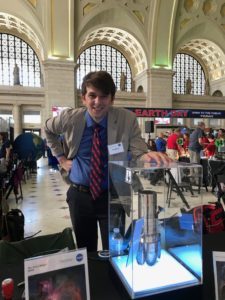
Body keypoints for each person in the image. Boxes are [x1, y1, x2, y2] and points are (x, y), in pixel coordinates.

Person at [44, 70, 170, 252]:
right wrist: (61, 159)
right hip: (80, 196)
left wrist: (145, 156)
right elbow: (47, 130)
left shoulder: (126, 119)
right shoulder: (70, 118)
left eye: (103, 96)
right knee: (85, 250)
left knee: (115, 250)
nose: (97, 102)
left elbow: (137, 149)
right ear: (83, 98)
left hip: (113, 195)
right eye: (92, 96)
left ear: (112, 99)